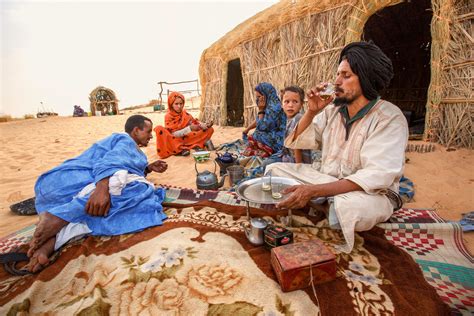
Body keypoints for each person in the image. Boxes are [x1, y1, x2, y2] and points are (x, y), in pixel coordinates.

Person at [266, 41, 408, 253]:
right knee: (273, 170)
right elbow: (295, 141)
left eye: (346, 75)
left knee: (348, 207)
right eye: (338, 74)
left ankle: (324, 205)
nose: (337, 81)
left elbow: (376, 175)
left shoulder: (389, 117)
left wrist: (314, 191)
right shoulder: (332, 110)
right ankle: (323, 204)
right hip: (326, 180)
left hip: (367, 194)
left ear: (367, 79)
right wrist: (311, 112)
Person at [26, 115, 169, 272]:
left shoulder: (124, 145)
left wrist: (147, 168)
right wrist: (101, 189)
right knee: (139, 192)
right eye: (148, 131)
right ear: (136, 131)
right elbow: (109, 164)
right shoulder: (126, 141)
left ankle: (54, 239)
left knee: (132, 187)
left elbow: (124, 167)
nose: (151, 136)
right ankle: (58, 217)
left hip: (56, 188)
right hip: (74, 182)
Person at [261, 85, 312, 170]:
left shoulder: (298, 118)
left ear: (302, 104)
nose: (290, 105)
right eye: (287, 102)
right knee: (267, 162)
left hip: (297, 161)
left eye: (295, 102)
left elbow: (297, 146)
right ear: (281, 104)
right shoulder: (287, 119)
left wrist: (299, 169)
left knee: (266, 165)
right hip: (288, 156)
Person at [154, 92, 214, 158]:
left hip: (186, 138)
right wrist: (189, 128)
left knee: (210, 130)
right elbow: (173, 134)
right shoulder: (168, 116)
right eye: (176, 104)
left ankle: (187, 147)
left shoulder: (185, 114)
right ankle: (181, 148)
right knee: (159, 129)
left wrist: (205, 125)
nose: (179, 106)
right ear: (171, 104)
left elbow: (195, 123)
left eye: (181, 104)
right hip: (174, 140)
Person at [242, 82, 286, 158]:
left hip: (280, 138)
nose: (257, 99)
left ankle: (268, 149)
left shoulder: (275, 108)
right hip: (272, 132)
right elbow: (259, 120)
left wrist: (261, 109)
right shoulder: (269, 104)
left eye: (259, 96)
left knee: (258, 134)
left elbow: (262, 126)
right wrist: (247, 129)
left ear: (266, 95)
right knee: (255, 134)